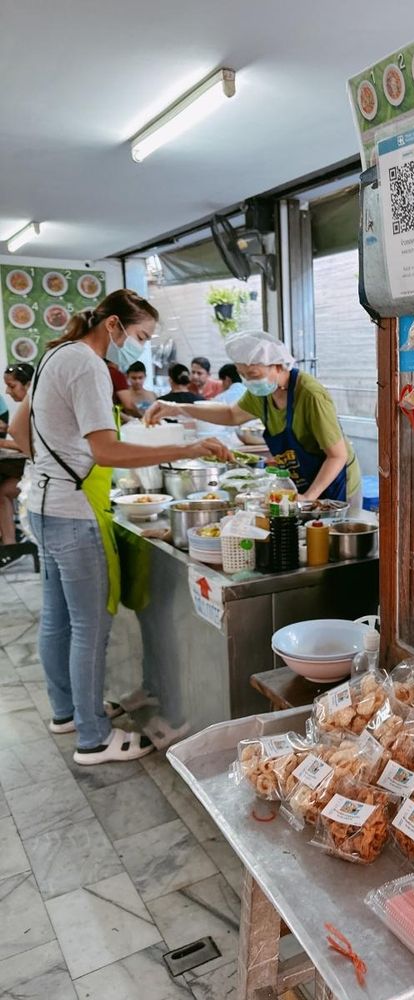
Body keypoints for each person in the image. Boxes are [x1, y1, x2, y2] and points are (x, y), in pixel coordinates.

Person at [9, 289, 232, 765]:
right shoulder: (88, 364)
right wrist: (186, 450)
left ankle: (68, 712)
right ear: (112, 325)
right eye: (140, 335)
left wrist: (52, 462)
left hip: (44, 504)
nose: (141, 345)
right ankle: (92, 738)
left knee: (59, 619)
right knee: (90, 626)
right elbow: (106, 451)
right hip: (72, 511)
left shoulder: (54, 355)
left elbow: (21, 432)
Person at [147, 331, 362, 506]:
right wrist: (178, 408)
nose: (249, 381)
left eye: (254, 374)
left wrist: (309, 498)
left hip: (334, 485)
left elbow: (337, 456)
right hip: (302, 486)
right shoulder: (264, 392)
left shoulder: (310, 395)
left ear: (278, 365)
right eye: (243, 374)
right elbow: (231, 415)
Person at [0, 363, 34, 555]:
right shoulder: (25, 407)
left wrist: (3, 443)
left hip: (43, 475)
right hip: (31, 469)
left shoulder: (35, 408)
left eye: (12, 386)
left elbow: (30, 445)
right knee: (3, 490)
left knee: (4, 491)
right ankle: (10, 545)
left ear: (28, 385)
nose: (7, 391)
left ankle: (11, 545)